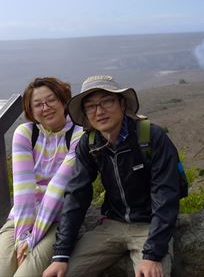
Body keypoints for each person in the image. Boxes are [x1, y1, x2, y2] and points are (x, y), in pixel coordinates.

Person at [43, 75, 182, 277]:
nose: (99, 111)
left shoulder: (151, 137)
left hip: (149, 226)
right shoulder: (90, 143)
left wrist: (152, 254)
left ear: (122, 104)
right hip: (111, 225)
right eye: (90, 106)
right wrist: (60, 255)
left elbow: (166, 194)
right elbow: (76, 195)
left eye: (107, 101)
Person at [0, 77, 83, 277]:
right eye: (38, 104)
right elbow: (24, 189)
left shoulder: (78, 134)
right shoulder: (26, 133)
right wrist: (22, 236)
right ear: (31, 111)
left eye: (51, 100)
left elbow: (58, 187)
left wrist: (33, 239)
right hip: (22, 218)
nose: (45, 107)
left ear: (63, 100)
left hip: (58, 219)